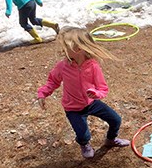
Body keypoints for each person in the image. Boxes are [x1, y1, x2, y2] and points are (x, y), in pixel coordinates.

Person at [37, 27, 130, 159]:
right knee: (83, 135)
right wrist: (43, 93)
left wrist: (96, 94)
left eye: (66, 47)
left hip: (92, 103)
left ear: (78, 49)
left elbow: (102, 88)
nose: (63, 50)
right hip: (73, 108)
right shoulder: (62, 66)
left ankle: (110, 140)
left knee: (116, 119)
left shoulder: (93, 66)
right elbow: (53, 81)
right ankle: (84, 144)